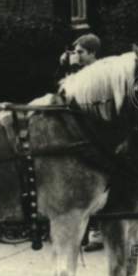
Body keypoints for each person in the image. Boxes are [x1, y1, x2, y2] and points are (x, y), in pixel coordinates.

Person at [58, 32, 104, 251]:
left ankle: (96, 233)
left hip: (94, 132)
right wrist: (66, 68)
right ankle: (84, 233)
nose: (76, 56)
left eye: (80, 52)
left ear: (92, 53)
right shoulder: (79, 71)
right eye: (75, 52)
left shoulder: (100, 73)